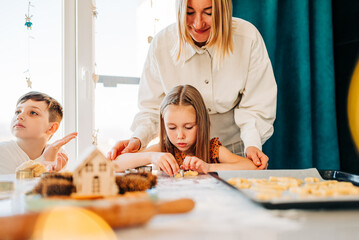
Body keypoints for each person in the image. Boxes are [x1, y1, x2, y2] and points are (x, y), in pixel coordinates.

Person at [109, 0, 277, 168]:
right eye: (189, 13)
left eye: (209, 13)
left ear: (222, 11)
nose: (198, 23)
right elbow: (151, 109)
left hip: (233, 152)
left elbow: (256, 107)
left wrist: (252, 144)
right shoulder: (162, 45)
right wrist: (137, 139)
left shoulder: (247, 38)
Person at [112, 85, 265, 176]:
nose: (180, 136)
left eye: (189, 127)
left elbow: (252, 167)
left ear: (201, 123)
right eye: (171, 128)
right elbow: (115, 164)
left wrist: (209, 167)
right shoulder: (164, 149)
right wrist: (152, 157)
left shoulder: (212, 149)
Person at [0, 91, 77, 174]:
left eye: (33, 113)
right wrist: (44, 165)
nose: (19, 116)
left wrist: (52, 173)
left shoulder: (58, 155)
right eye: (18, 112)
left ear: (51, 128)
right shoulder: (2, 151)